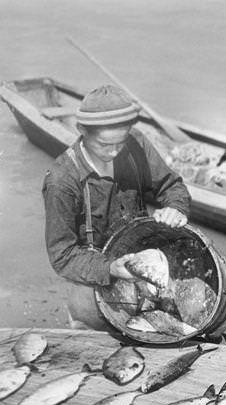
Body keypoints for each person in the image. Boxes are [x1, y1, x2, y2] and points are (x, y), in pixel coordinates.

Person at [42, 84, 191, 330]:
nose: (113, 152)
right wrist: (111, 268)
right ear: (81, 130)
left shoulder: (136, 145)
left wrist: (175, 208)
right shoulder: (62, 182)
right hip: (96, 276)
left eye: (120, 143)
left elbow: (172, 185)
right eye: (103, 144)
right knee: (89, 325)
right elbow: (62, 256)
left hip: (143, 261)